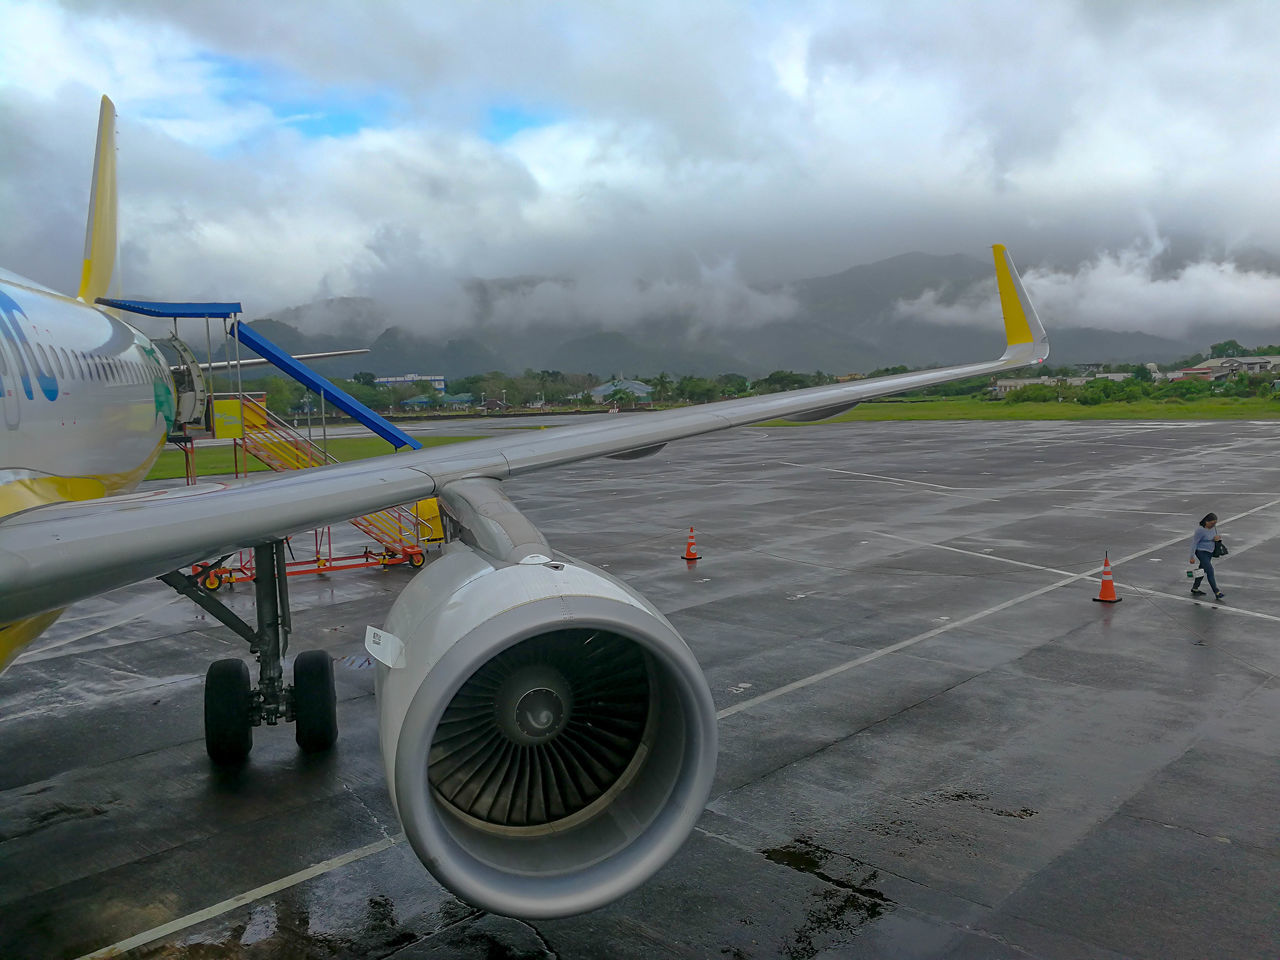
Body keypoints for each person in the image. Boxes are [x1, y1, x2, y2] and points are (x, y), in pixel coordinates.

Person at [1189, 513, 1224, 600]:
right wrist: (1191, 556)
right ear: (1206, 522)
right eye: (1212, 523)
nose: (1213, 525)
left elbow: (1213, 537)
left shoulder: (1213, 528)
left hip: (1209, 552)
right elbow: (1194, 543)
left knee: (1202, 570)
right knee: (1210, 570)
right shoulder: (1200, 530)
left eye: (1215, 523)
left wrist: (1216, 538)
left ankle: (1195, 588)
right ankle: (1217, 591)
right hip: (1201, 552)